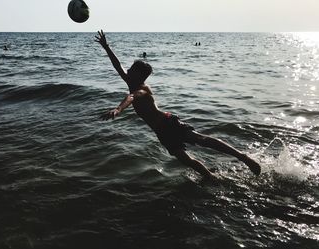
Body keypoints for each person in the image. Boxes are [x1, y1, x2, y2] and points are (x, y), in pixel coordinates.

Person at [95, 30, 261, 179]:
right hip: (161, 131)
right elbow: (117, 66)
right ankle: (211, 178)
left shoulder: (142, 89)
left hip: (168, 123)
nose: (128, 70)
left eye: (132, 69)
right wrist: (106, 47)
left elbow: (131, 97)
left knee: (201, 139)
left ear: (139, 75)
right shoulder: (131, 81)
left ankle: (243, 157)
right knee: (186, 160)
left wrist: (118, 109)